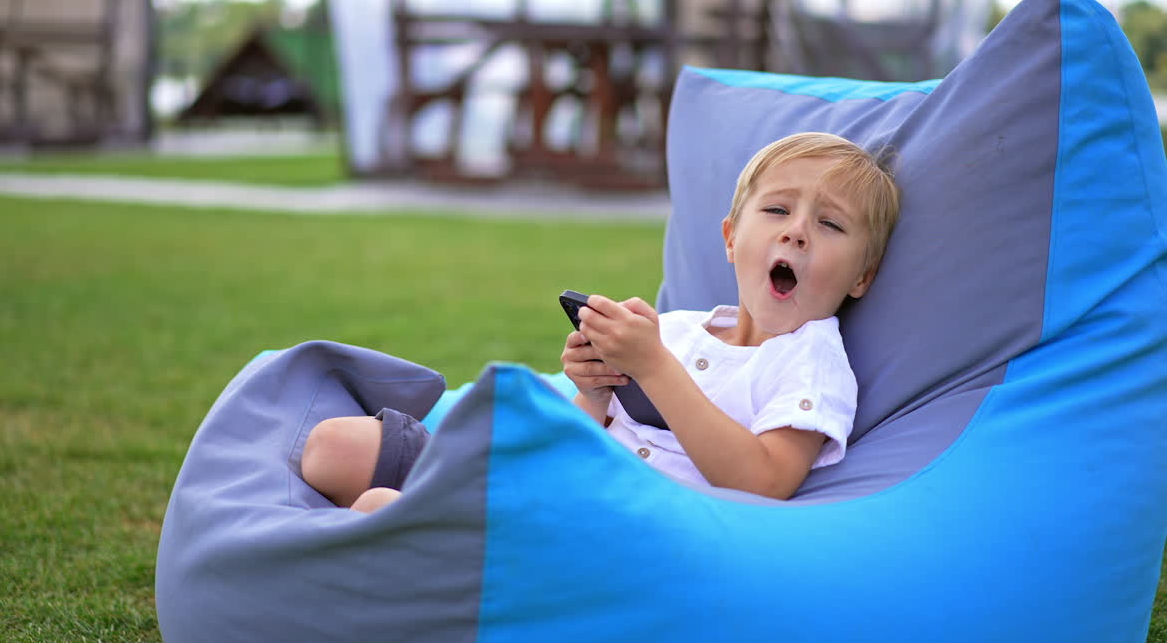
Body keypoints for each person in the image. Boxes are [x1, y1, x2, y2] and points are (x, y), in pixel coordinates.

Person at [301, 132, 901, 511]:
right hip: (551, 477)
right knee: (333, 447)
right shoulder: (679, 328)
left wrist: (655, 368)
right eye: (776, 209)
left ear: (862, 277)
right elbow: (588, 434)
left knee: (379, 510)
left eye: (830, 224)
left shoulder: (810, 362)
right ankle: (434, 516)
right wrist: (594, 391)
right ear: (730, 238)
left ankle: (424, 536)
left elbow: (765, 483)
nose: (796, 231)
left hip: (608, 519)